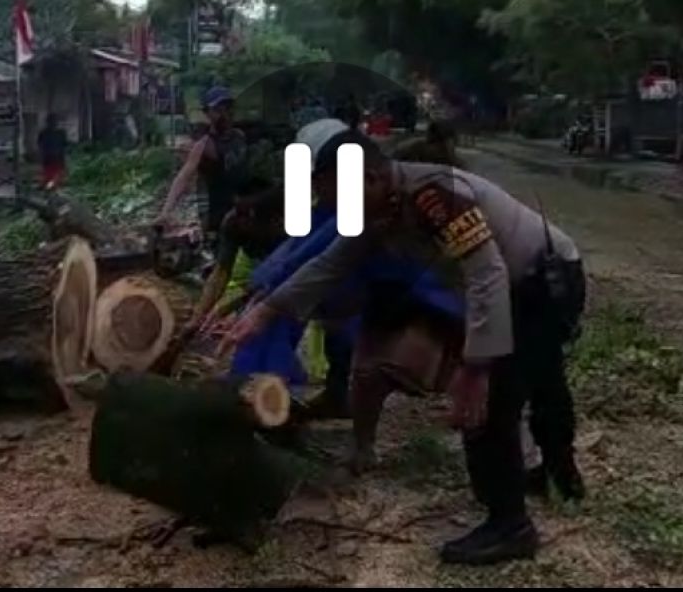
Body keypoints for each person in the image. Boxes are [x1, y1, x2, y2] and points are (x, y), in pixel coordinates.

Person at [219, 129, 587, 565]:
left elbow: (486, 274)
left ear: (371, 178)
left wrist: (475, 366)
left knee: (492, 403)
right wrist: (267, 311)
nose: (337, 210)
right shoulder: (377, 208)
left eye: (339, 197)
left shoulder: (435, 195)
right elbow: (330, 264)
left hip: (541, 280)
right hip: (524, 280)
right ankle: (558, 474)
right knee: (542, 378)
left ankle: (510, 525)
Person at [157, 86, 247, 245]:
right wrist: (166, 212)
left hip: (244, 210)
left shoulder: (240, 138)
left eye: (227, 108)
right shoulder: (205, 145)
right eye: (218, 109)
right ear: (208, 113)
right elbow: (184, 177)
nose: (224, 113)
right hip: (217, 215)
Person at [37, 113, 69, 188]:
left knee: (54, 175)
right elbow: (41, 146)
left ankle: (50, 186)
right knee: (51, 175)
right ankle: (50, 186)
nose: (53, 123)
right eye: (52, 121)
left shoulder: (60, 133)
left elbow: (64, 146)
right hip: (50, 158)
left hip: (55, 158)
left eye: (54, 121)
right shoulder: (45, 133)